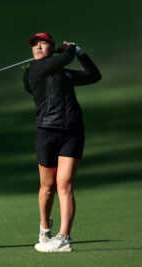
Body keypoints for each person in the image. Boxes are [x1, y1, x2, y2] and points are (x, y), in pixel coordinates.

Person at [23, 32, 102, 252]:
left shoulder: (64, 74)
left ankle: (64, 238)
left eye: (44, 43)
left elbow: (94, 75)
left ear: (52, 46)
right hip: (46, 132)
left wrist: (80, 52)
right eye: (34, 45)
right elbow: (64, 59)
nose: (38, 47)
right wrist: (70, 49)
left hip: (72, 131)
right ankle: (45, 230)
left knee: (64, 185)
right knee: (48, 187)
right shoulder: (34, 69)